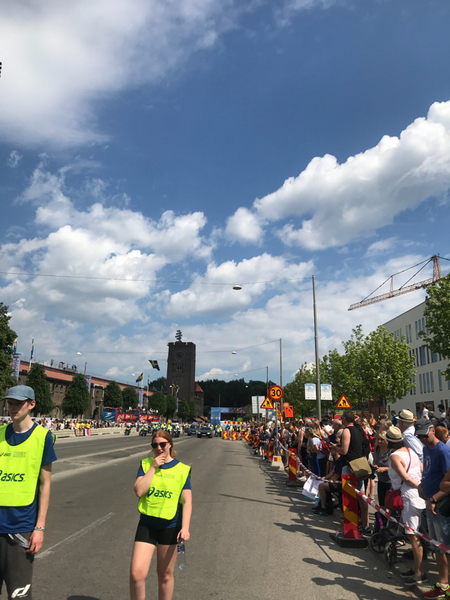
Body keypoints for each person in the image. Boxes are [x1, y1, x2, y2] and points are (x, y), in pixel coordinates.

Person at [0, 385, 57, 600]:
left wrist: (40, 527)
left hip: (20, 526)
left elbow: (45, 484)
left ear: (31, 405)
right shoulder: (0, 434)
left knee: (19, 594)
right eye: (10, 402)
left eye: (18, 403)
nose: (12, 407)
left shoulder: (43, 437)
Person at [130, 430, 192, 600]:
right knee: (137, 575)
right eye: (155, 445)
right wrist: (153, 467)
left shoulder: (182, 469)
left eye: (162, 444)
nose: (159, 448)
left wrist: (185, 528)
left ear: (170, 444)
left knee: (165, 576)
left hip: (170, 527)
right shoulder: (145, 465)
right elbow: (139, 491)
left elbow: (187, 502)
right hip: (147, 525)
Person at [386, 426, 427, 588]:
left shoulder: (395, 457)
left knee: (413, 536)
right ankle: (416, 568)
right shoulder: (412, 452)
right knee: (415, 534)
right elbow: (422, 470)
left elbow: (406, 477)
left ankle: (419, 572)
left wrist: (418, 487)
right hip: (418, 495)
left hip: (410, 496)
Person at [417, 422, 450, 599]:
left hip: (440, 505)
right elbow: (429, 471)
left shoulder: (443, 451)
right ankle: (443, 584)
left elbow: (448, 482)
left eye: (425, 435)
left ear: (432, 431)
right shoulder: (426, 449)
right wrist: (422, 485)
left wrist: (434, 498)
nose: (422, 439)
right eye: (419, 436)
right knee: (437, 546)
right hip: (430, 503)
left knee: (444, 547)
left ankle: (446, 586)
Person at [334, 410, 371, 535]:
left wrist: (335, 448)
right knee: (361, 495)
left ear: (344, 419)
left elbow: (344, 451)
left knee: (349, 497)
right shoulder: (358, 429)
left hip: (350, 466)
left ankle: (350, 527)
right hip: (360, 464)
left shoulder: (346, 430)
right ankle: (365, 524)